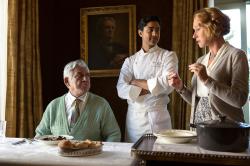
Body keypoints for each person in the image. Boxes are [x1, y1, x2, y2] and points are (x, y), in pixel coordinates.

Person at [168, 7, 249, 127]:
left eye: (197, 29)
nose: (193, 36)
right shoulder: (201, 60)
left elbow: (239, 100)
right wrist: (181, 88)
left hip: (226, 134)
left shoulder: (236, 55)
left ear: (211, 27)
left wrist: (207, 80)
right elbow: (201, 103)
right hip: (201, 132)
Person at [116, 16, 178, 143]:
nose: (155, 34)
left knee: (161, 157)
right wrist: (153, 87)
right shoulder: (130, 61)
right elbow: (121, 89)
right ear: (140, 32)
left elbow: (168, 85)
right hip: (135, 120)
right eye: (150, 30)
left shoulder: (168, 56)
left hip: (160, 118)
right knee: (135, 159)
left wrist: (135, 81)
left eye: (158, 30)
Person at [36, 59, 121, 142]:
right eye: (79, 76)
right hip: (58, 155)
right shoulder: (53, 106)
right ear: (67, 81)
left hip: (92, 155)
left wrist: (102, 153)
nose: (85, 79)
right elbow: (41, 135)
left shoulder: (101, 104)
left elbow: (113, 134)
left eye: (87, 75)